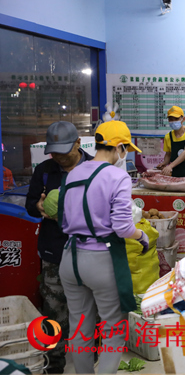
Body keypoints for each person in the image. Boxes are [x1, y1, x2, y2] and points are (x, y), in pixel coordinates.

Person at [57, 121, 149, 374]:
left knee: (80, 326)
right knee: (113, 328)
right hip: (101, 260)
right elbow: (122, 226)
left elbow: (62, 219)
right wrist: (141, 235)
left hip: (70, 259)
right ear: (118, 147)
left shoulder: (73, 173)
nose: (125, 154)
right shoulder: (117, 176)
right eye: (125, 148)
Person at [25, 121, 95, 374]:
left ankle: (92, 357)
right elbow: (31, 203)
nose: (58, 157)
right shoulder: (45, 170)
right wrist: (40, 208)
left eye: (63, 151)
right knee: (54, 308)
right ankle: (54, 363)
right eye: (53, 152)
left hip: (90, 250)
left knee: (91, 307)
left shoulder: (95, 169)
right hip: (54, 249)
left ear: (78, 143)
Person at [157, 106, 185, 177]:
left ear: (183, 119)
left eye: (176, 119)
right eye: (170, 119)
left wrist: (170, 166)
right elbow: (168, 154)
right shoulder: (168, 136)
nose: (173, 121)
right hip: (176, 173)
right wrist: (165, 163)